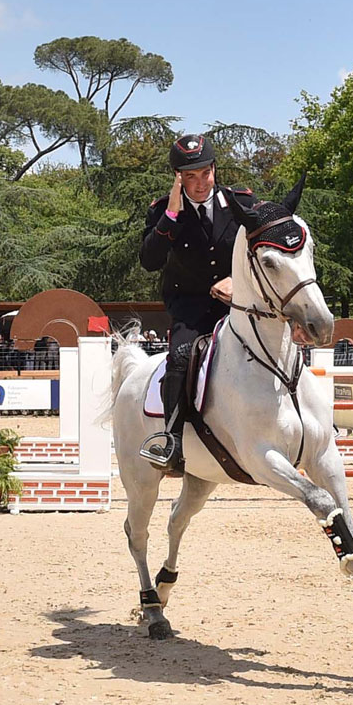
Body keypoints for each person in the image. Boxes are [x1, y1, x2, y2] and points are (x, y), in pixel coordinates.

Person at [138, 134, 255, 469]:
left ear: (214, 169)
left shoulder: (242, 203)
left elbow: (260, 251)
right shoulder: (163, 211)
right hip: (189, 306)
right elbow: (149, 261)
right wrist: (171, 217)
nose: (201, 183)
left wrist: (239, 279)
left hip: (238, 303)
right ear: (178, 177)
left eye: (205, 173)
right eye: (190, 176)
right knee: (180, 356)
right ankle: (172, 442)